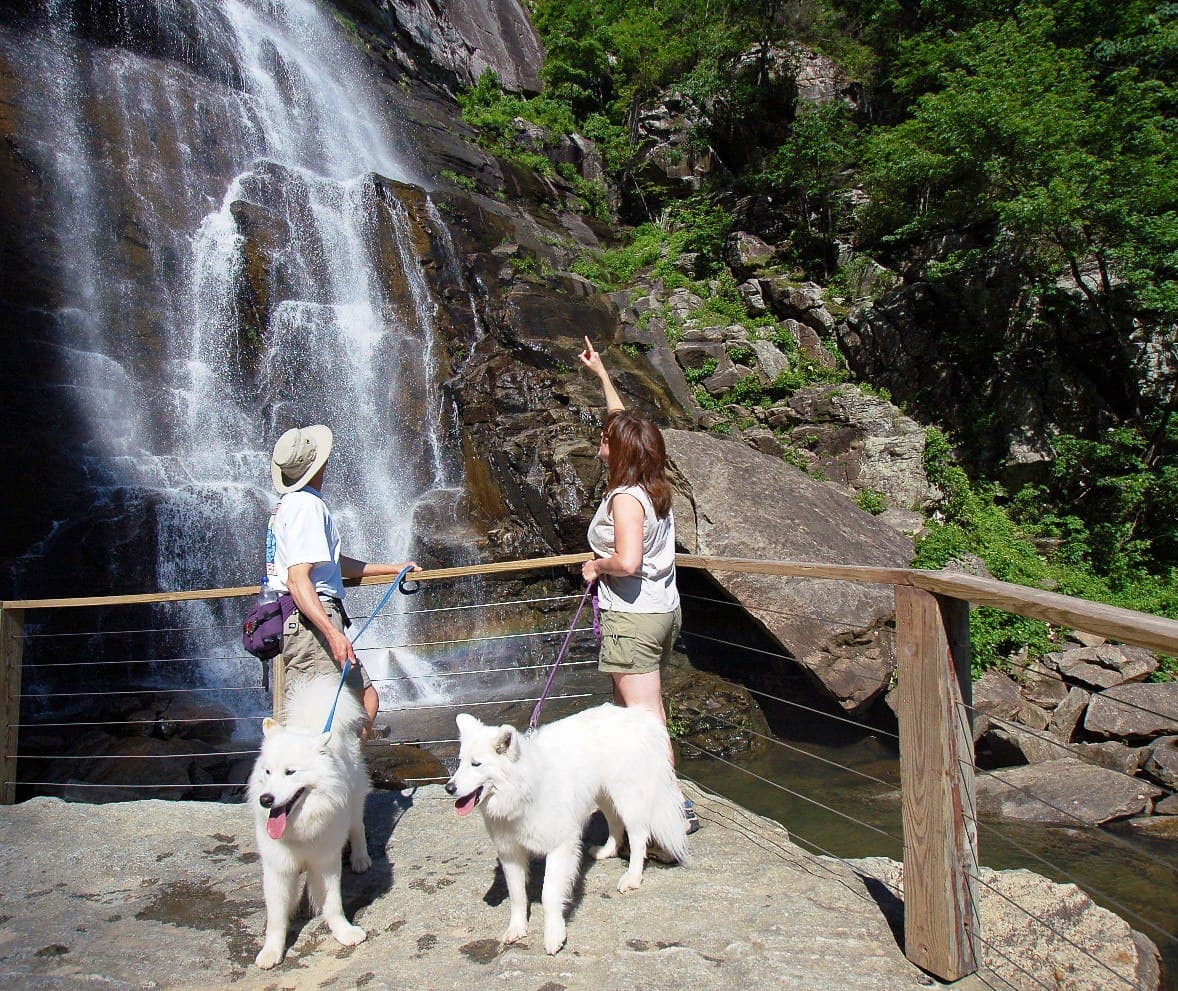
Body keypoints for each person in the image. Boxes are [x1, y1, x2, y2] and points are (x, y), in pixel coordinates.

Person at [578, 337, 700, 835]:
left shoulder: (627, 498)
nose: (599, 443)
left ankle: (673, 811)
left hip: (635, 616)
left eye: (605, 441)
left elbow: (627, 561)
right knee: (638, 715)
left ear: (622, 451)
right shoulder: (655, 480)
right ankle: (639, 805)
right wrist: (602, 375)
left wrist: (596, 567)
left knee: (646, 719)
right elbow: (628, 425)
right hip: (663, 609)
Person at [267, 424, 419, 739]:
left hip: (313, 620)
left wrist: (393, 569)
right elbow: (297, 580)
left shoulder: (289, 505)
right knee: (318, 725)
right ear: (317, 465)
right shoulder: (306, 506)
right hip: (313, 624)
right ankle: (322, 783)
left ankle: (344, 778)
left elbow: (333, 563)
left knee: (365, 699)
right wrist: (332, 634)